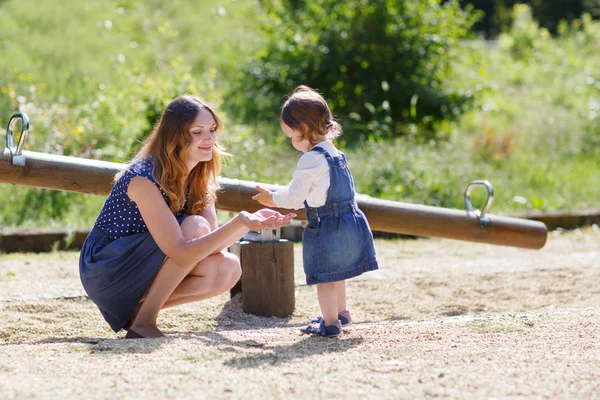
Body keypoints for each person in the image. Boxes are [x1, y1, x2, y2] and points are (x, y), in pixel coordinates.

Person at [79, 95, 296, 339]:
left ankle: (138, 314)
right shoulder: (143, 178)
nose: (209, 139)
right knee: (194, 227)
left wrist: (249, 224)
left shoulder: (200, 175)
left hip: (143, 264)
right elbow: (183, 250)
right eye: (197, 131)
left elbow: (211, 247)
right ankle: (145, 323)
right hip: (108, 268)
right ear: (175, 136)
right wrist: (239, 221)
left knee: (227, 268)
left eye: (212, 130)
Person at [253, 85, 378, 337]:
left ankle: (330, 323)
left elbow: (295, 196)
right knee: (338, 272)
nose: (290, 141)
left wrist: (272, 198)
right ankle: (342, 312)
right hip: (348, 220)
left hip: (326, 226)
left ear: (304, 129)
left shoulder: (309, 159)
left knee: (324, 277)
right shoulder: (335, 153)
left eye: (292, 136)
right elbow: (314, 192)